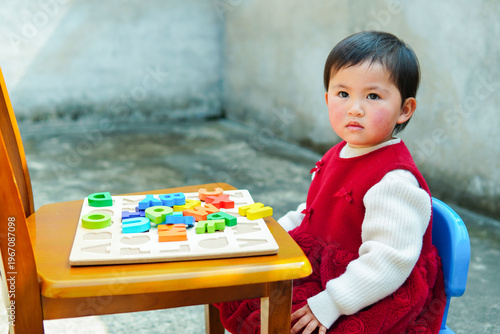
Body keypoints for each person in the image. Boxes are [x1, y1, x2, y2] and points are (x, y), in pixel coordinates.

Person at [216, 31, 446, 334]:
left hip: (369, 289)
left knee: (294, 321)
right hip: (325, 270)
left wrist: (332, 303)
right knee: (242, 286)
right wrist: (272, 233)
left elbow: (388, 261)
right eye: (343, 94)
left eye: (373, 96)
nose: (355, 108)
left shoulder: (394, 181)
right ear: (327, 99)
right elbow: (314, 210)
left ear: (404, 110)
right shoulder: (339, 152)